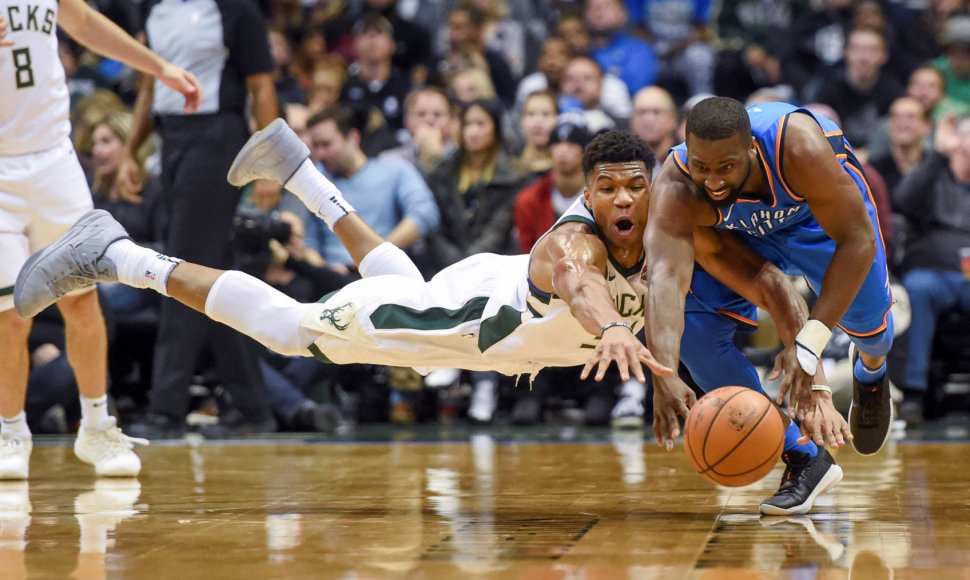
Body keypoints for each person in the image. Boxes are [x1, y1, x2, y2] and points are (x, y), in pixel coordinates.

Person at [18, 121, 845, 514]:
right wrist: (616, 329)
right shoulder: (574, 244)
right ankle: (121, 253)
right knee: (294, 330)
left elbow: (771, 282)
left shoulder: (676, 231)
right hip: (469, 321)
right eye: (608, 188)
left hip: (487, 317)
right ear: (586, 195)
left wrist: (803, 362)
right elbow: (585, 286)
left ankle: (301, 168)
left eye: (637, 184)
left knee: (390, 287)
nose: (625, 198)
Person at [0, 1, 200, 480]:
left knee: (82, 301)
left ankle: (96, 427)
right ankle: (11, 431)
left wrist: (159, 67)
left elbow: (84, 23)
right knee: (9, 315)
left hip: (54, 161)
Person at [644, 96, 890, 458]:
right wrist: (663, 373)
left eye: (726, 166)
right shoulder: (676, 185)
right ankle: (799, 454)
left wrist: (809, 344)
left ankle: (871, 374)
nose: (712, 181)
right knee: (698, 335)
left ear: (753, 149)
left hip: (819, 224)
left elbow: (858, 240)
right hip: (745, 236)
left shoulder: (799, 147)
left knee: (873, 332)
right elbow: (664, 279)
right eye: (701, 166)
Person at [116, 0, 280, 439]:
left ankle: (165, 412)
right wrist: (132, 149)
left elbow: (262, 87)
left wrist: (270, 163)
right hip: (172, 139)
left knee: (181, 267)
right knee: (212, 272)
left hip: (217, 137)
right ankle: (252, 409)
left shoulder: (237, 11)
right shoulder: (151, 8)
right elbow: (152, 85)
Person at [890, 113, 970, 424]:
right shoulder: (932, 174)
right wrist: (938, 155)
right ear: (959, 143)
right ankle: (914, 393)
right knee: (919, 290)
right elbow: (903, 200)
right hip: (933, 274)